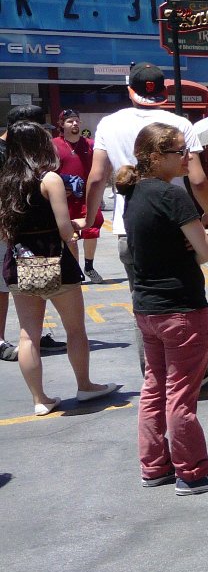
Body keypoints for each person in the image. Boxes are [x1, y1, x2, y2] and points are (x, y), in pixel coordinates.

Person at [116, 122, 208, 495]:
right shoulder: (173, 196)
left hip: (147, 308)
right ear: (155, 156)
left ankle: (154, 466)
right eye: (179, 152)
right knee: (181, 394)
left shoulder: (133, 192)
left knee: (154, 388)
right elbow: (206, 252)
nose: (187, 157)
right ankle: (193, 472)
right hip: (181, 308)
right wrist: (189, 248)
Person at [84, 62, 208, 385]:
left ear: (130, 89)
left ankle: (154, 375)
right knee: (181, 299)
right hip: (177, 227)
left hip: (129, 226)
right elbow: (198, 180)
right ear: (163, 92)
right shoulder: (179, 124)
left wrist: (88, 221)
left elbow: (97, 178)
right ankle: (188, 372)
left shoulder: (109, 123)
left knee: (143, 303)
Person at [0, 122, 118, 415]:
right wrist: (76, 228)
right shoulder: (49, 179)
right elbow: (65, 230)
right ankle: (85, 385)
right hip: (55, 261)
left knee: (28, 334)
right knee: (75, 329)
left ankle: (40, 399)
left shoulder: (5, 181)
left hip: (20, 263)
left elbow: (3, 232)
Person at [0, 105, 69, 362]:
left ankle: (34, 336)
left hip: (22, 236)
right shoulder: (4, 153)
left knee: (31, 290)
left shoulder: (15, 151)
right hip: (11, 233)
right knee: (3, 286)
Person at [53, 109, 104, 283]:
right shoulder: (53, 145)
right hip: (64, 198)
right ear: (62, 124)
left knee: (92, 229)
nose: (75, 123)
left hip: (87, 197)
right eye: (70, 121)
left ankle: (89, 266)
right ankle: (74, 270)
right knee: (69, 235)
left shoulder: (90, 144)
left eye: (76, 120)